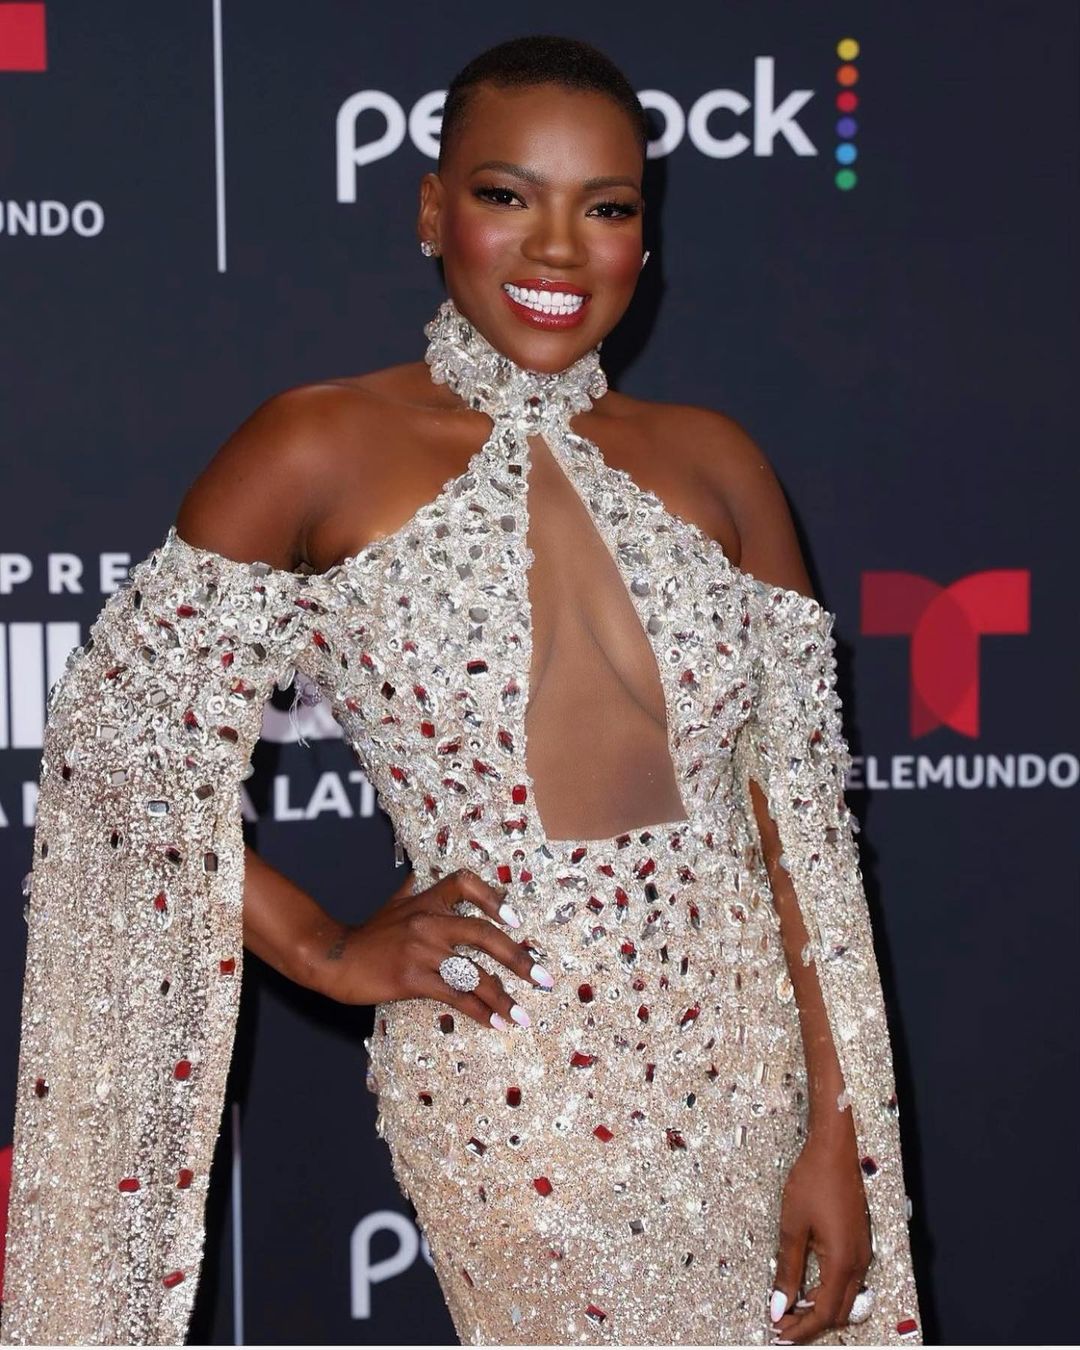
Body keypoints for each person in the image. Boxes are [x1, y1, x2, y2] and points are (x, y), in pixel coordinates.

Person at [1, 34, 922, 1348]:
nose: (559, 248)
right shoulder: (317, 444)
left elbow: (806, 842)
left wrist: (843, 1132)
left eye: (606, 207)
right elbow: (115, 761)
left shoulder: (721, 464)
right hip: (517, 1086)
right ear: (432, 211)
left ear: (645, 239)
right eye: (507, 195)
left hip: (758, 1078)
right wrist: (326, 950)